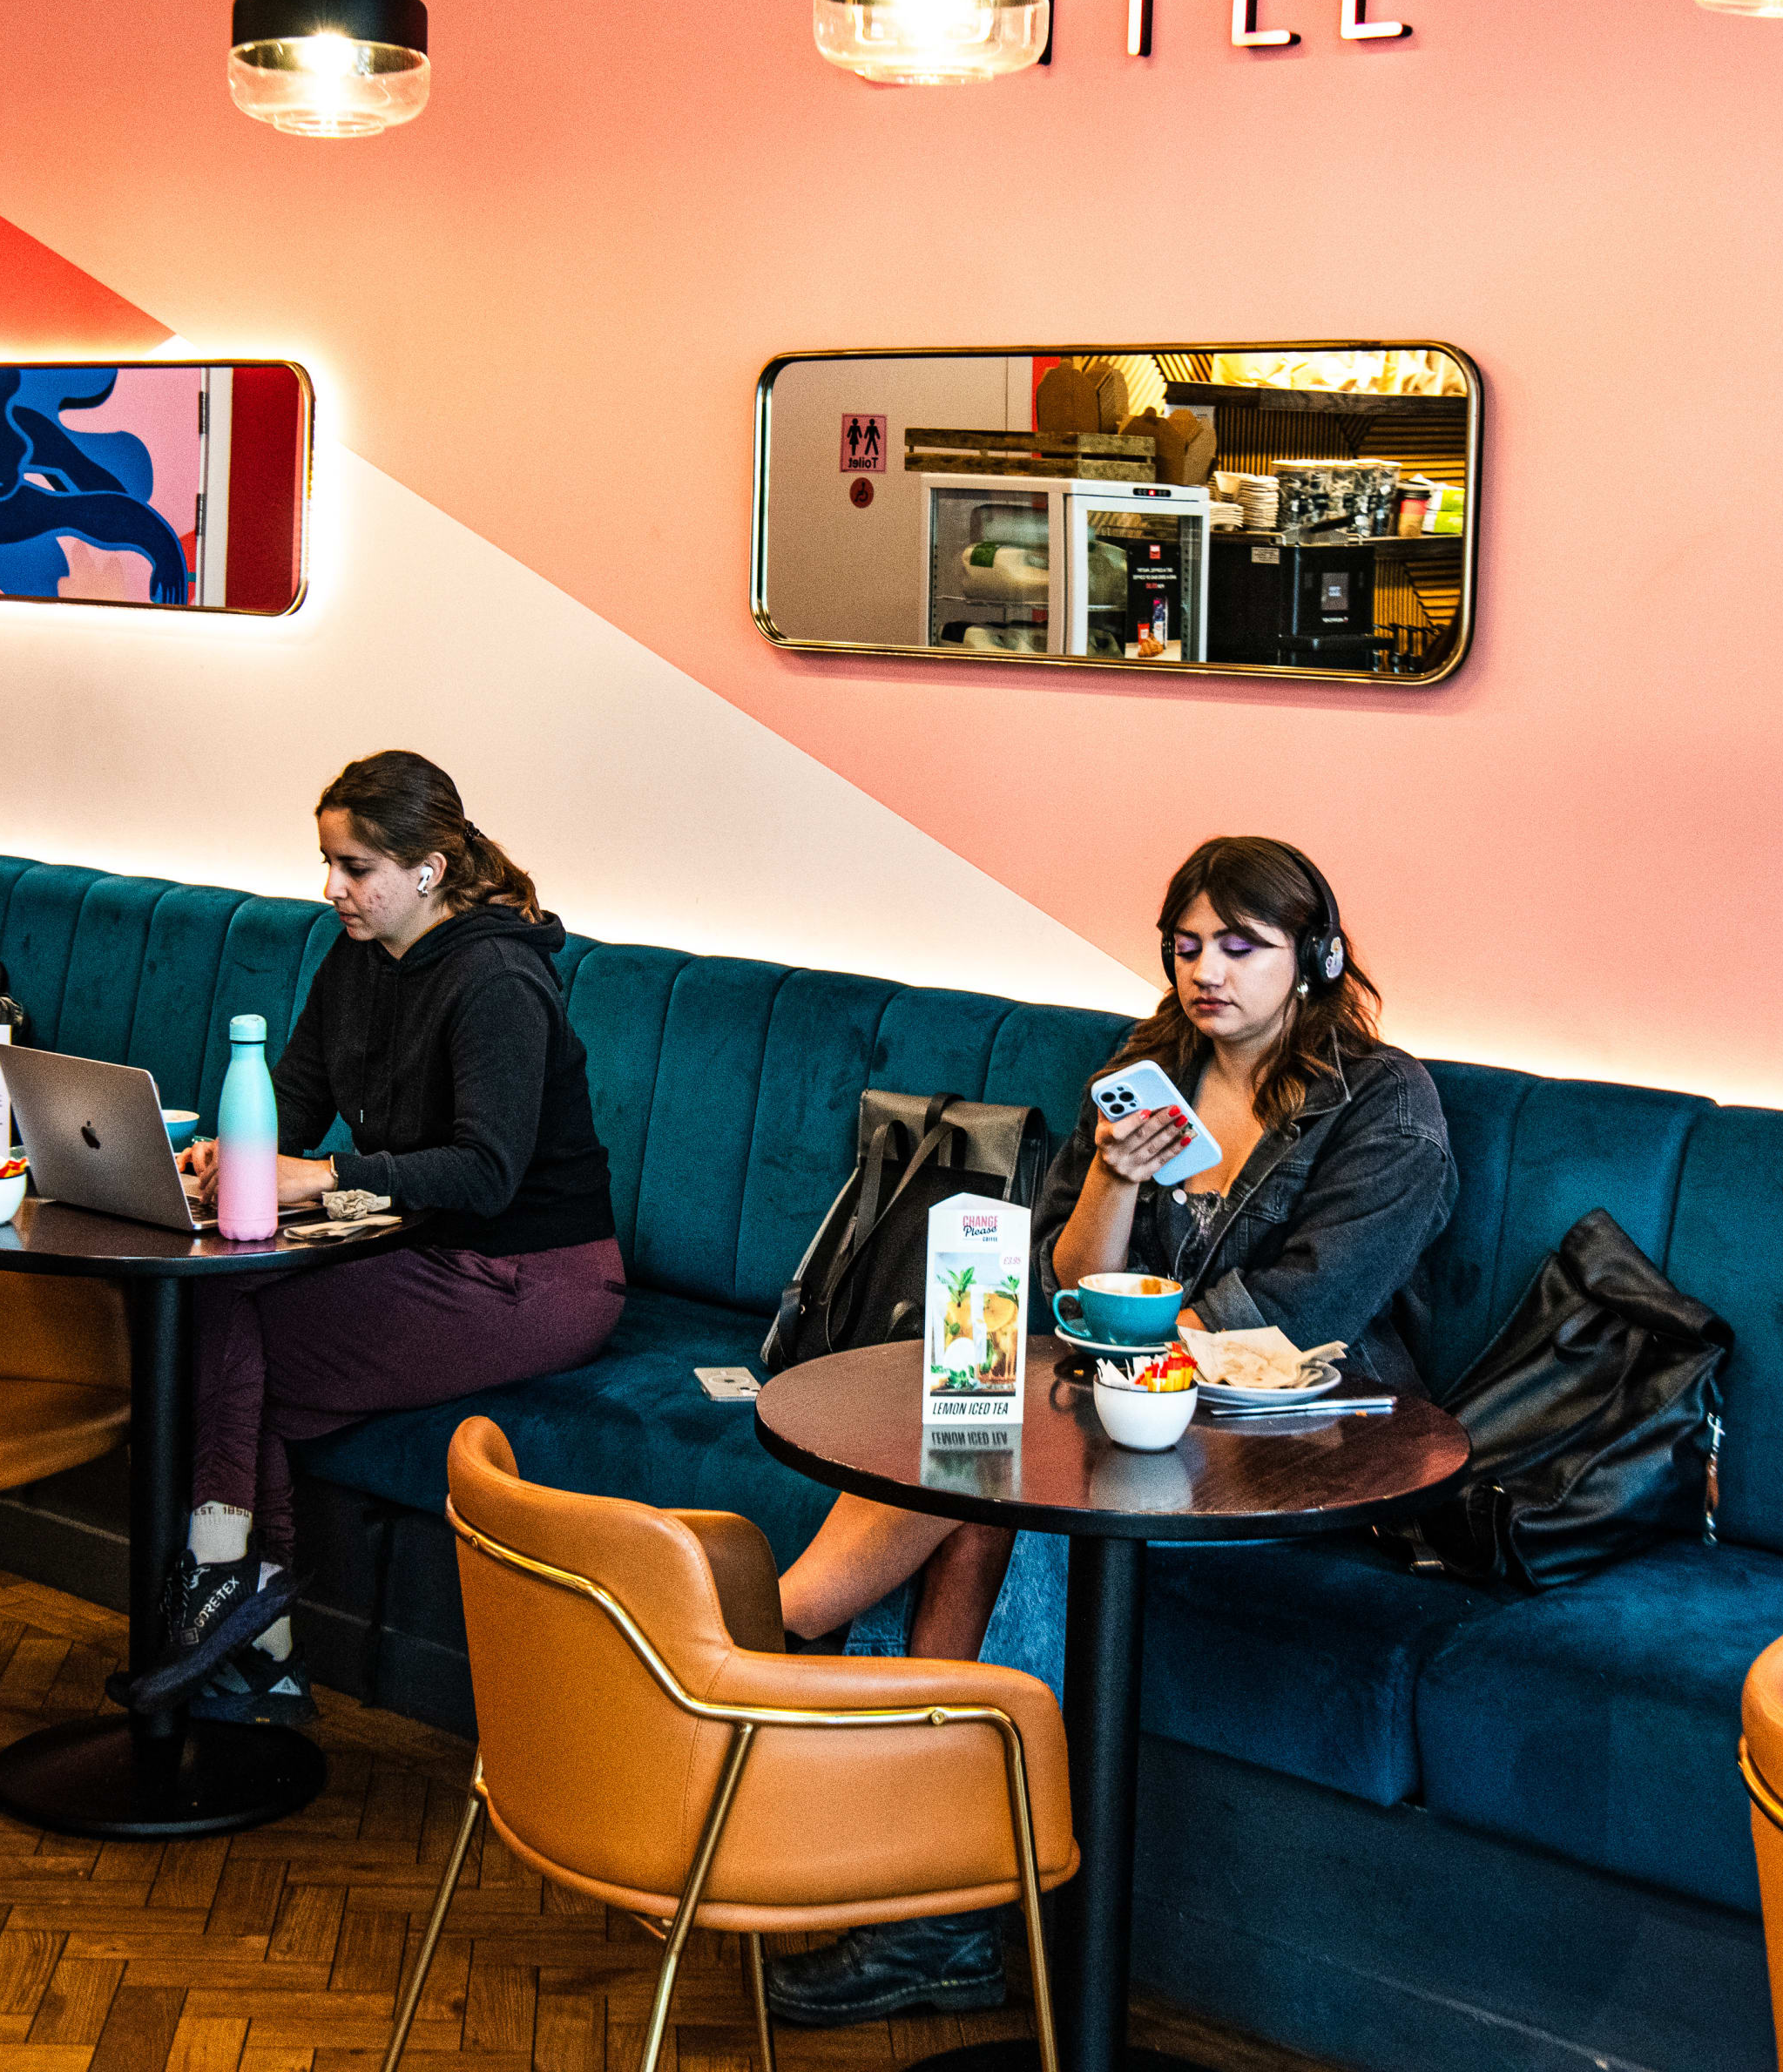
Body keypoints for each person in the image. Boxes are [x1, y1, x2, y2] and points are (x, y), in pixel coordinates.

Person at [760, 835, 1457, 2028]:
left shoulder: (1386, 1107)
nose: (1207, 973)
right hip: (1122, 1404)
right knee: (981, 1484)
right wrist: (1117, 1184)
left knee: (1010, 1497)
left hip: (1284, 1436)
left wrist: (1108, 1337)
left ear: (1316, 958)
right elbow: (1060, 1280)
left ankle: (763, 1648)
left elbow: (1294, 1315)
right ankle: (926, 1891)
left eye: (1242, 947)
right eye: (1187, 946)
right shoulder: (1149, 1072)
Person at [131, 752, 624, 1726]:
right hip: (426, 1249)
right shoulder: (356, 959)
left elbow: (487, 1176)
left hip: (533, 1275)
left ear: (429, 869)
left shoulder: (496, 980)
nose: (333, 889)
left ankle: (233, 1613)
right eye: (329, 863)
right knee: (222, 1313)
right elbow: (299, 1100)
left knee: (235, 1341)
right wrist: (235, 1150)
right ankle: (246, 1642)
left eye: (355, 868)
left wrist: (320, 1176)